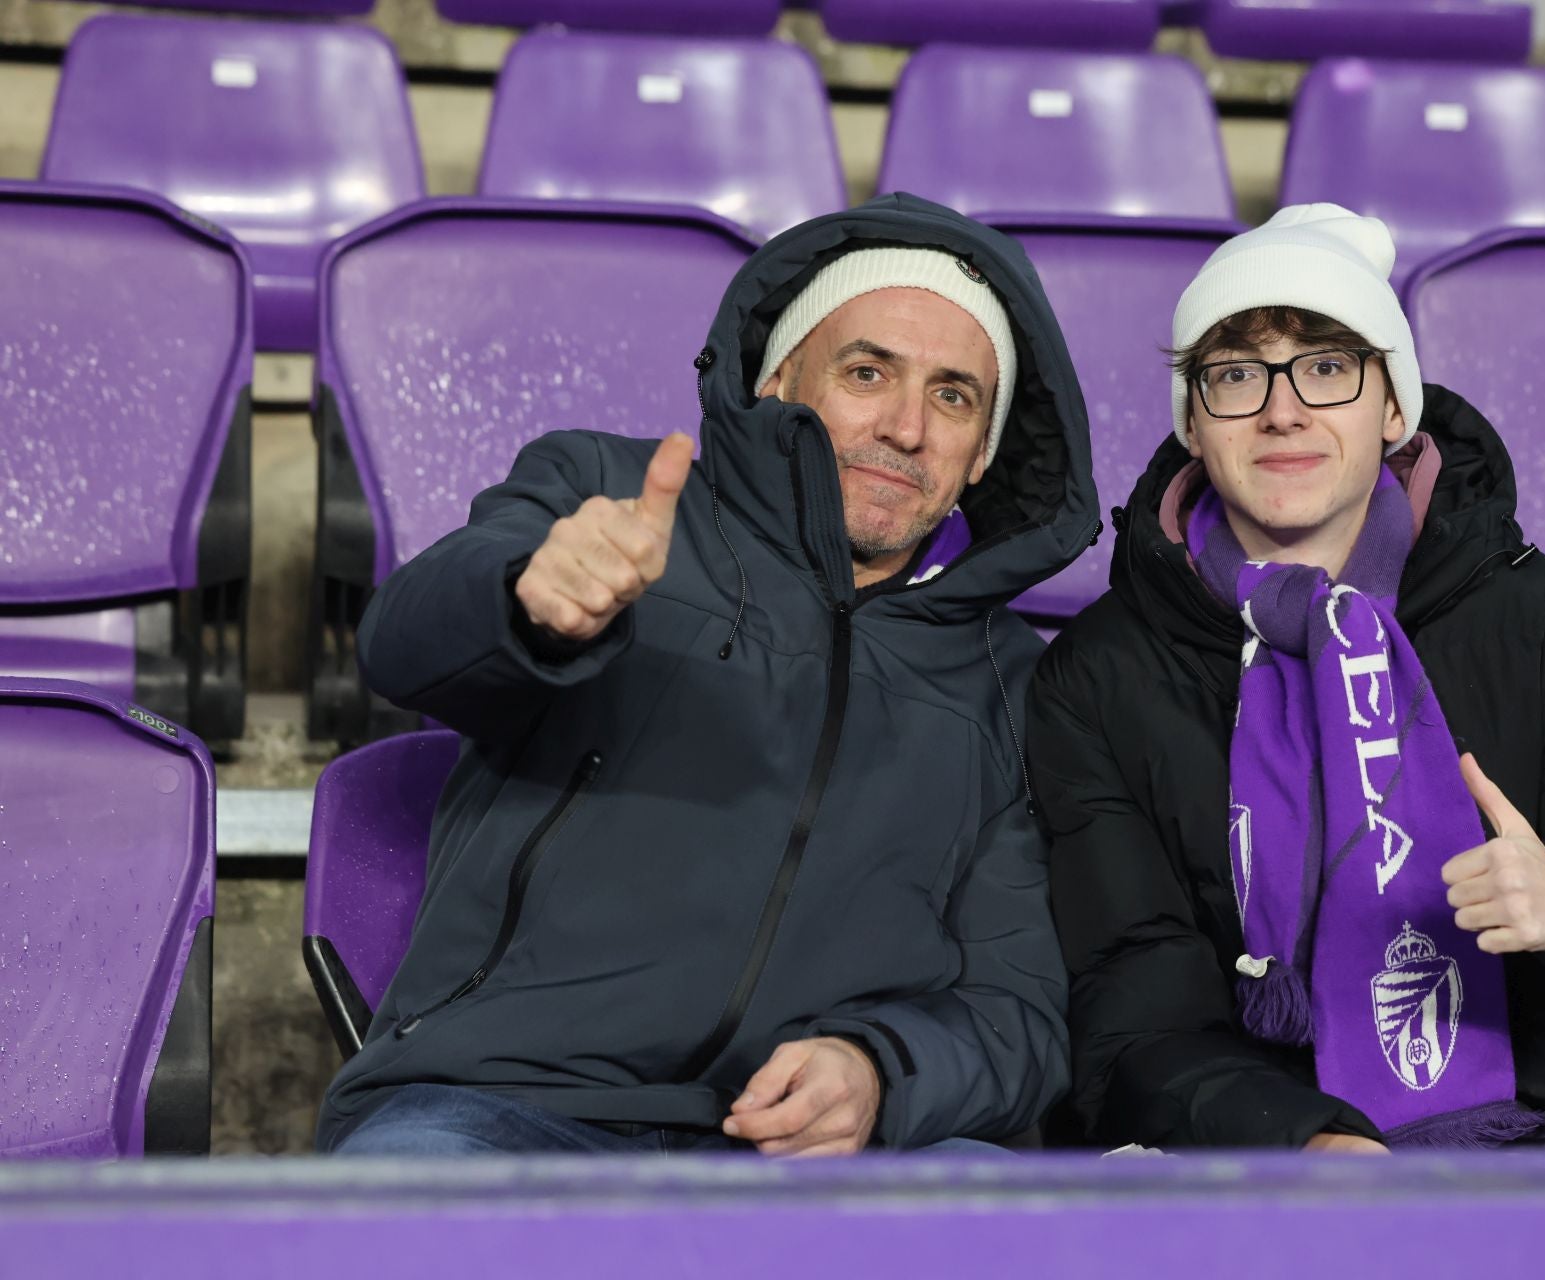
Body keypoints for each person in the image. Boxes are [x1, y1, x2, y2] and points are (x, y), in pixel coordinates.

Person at [316, 194, 1100, 1157]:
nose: (906, 428)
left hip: (807, 1161)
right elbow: (400, 645)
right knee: (397, 1206)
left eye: (953, 397)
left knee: (1000, 1208)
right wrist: (527, 598)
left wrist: (882, 1071)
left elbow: (1017, 1013)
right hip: (506, 1106)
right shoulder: (605, 496)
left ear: (981, 455)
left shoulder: (1012, 680)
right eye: (867, 372)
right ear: (778, 380)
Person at [1026, 204, 1545, 1152]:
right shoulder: (1100, 672)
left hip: (1518, 1142)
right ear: (1195, 425)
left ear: (1394, 408)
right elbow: (1131, 1018)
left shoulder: (1542, 625)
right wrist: (1310, 1142)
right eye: (1237, 374)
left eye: (1328, 367)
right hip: (1241, 1158)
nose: (1282, 409)